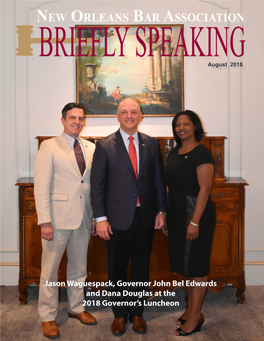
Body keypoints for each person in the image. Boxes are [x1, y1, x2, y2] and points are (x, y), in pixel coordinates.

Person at [90, 98, 167, 336]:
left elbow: (158, 181)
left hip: (145, 217)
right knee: (116, 268)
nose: (129, 115)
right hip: (115, 219)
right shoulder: (104, 145)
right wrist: (100, 218)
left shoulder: (151, 144)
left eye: (134, 111)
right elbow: (97, 186)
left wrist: (161, 211)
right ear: (118, 116)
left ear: (140, 115)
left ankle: (137, 313)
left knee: (141, 268)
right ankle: (119, 315)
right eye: (124, 112)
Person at [34, 102, 97, 339]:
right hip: (56, 220)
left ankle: (76, 307)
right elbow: (42, 186)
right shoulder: (49, 146)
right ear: (63, 120)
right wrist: (44, 221)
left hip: (83, 218)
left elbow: (89, 186)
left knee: (79, 267)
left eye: (81, 118)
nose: (77, 122)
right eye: (72, 118)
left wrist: (92, 217)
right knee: (49, 270)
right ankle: (48, 316)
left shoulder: (90, 147)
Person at [163, 110, 216, 336]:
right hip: (176, 215)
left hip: (196, 216)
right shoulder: (174, 153)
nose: (181, 128)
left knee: (196, 267)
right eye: (178, 125)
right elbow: (168, 186)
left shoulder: (201, 152)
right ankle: (190, 309)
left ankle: (195, 316)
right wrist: (165, 214)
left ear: (195, 126)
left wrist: (194, 222)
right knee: (186, 267)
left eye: (186, 124)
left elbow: (205, 189)